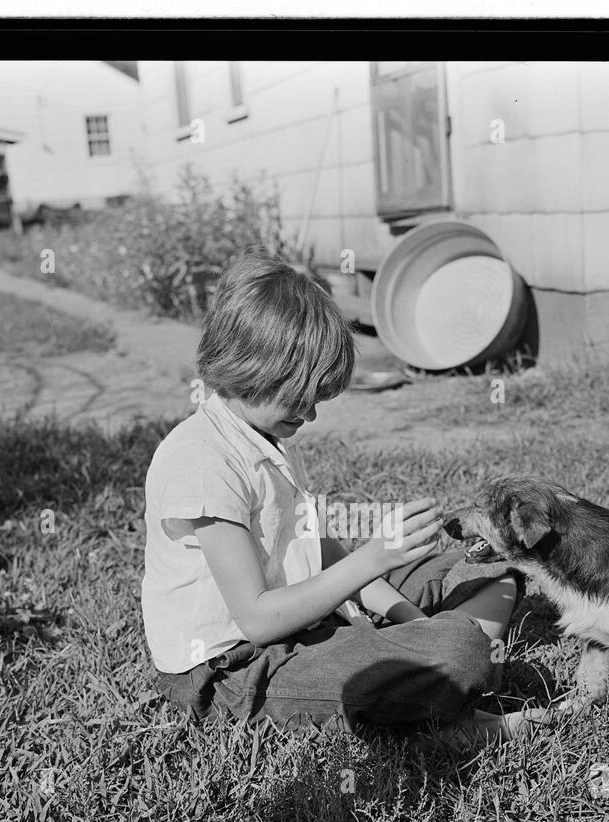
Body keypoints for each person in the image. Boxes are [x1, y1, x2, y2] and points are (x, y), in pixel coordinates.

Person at [140, 248, 561, 746]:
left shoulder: (264, 435)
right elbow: (256, 619)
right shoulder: (203, 460)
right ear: (256, 368)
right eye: (303, 398)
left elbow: (317, 548)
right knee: (460, 651)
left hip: (304, 611)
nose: (312, 416)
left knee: (494, 567)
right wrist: (374, 560)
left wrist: (407, 616)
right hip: (237, 668)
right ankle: (442, 709)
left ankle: (419, 667)